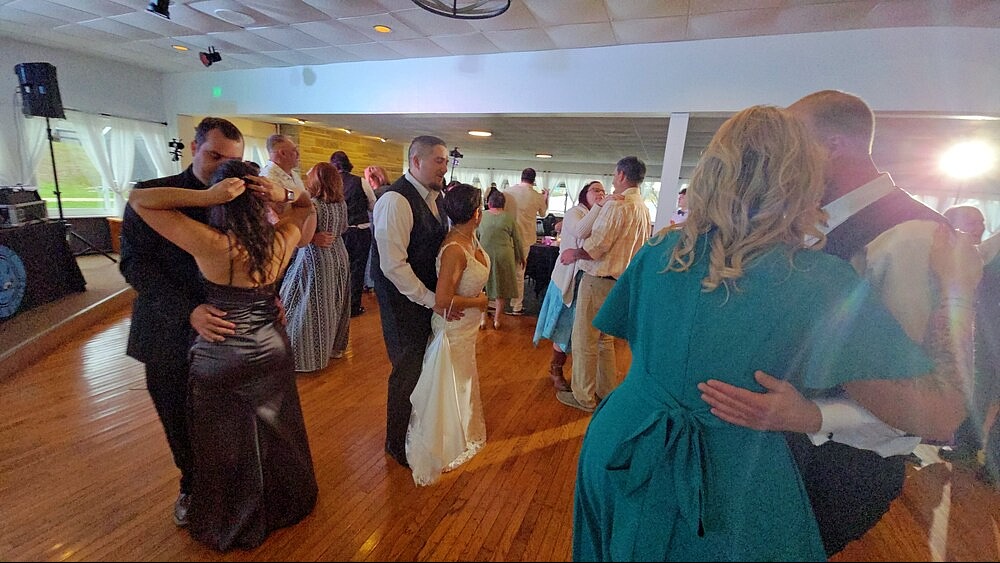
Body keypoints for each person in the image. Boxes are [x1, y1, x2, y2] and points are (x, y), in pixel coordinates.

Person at [572, 105, 979, 562]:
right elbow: (941, 415)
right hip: (725, 473)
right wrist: (958, 291)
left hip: (622, 440)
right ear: (803, 178)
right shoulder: (817, 281)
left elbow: (636, 340)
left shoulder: (662, 249)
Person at [697, 89, 982, 556]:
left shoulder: (910, 236)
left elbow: (924, 398)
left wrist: (816, 416)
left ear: (832, 146)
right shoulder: (806, 221)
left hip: (830, 470)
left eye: (792, 143)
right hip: (771, 453)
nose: (782, 159)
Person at [127, 159, 319, 551]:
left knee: (221, 440)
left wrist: (206, 196)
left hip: (223, 351)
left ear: (222, 202)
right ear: (260, 201)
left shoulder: (213, 245)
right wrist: (284, 192)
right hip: (271, 346)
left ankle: (230, 518)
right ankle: (281, 504)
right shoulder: (281, 239)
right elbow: (306, 206)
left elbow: (139, 200)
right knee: (276, 431)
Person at [119, 117, 243, 528]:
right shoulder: (155, 194)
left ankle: (232, 487)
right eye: (214, 155)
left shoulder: (241, 198)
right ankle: (191, 486)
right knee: (177, 416)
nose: (221, 166)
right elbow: (135, 266)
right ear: (194, 148)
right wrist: (188, 309)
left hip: (226, 329)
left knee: (227, 419)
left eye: (231, 160)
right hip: (167, 329)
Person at [371, 135, 461, 468]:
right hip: (402, 303)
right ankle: (396, 444)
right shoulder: (395, 200)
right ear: (416, 161)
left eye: (445, 161)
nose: (444, 167)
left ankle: (415, 432)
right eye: (438, 160)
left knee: (423, 367)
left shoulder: (436, 198)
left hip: (424, 300)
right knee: (406, 371)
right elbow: (392, 265)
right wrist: (431, 299)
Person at [405, 184, 490, 485]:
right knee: (451, 385)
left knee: (463, 381)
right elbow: (442, 301)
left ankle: (461, 432)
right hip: (453, 329)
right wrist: (480, 302)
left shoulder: (470, 238)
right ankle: (444, 443)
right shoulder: (455, 249)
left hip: (467, 329)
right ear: (476, 213)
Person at [557, 157, 651, 413]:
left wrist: (574, 254)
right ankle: (606, 391)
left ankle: (583, 397)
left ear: (621, 175)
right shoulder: (642, 208)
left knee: (584, 340)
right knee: (604, 340)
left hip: (598, 280)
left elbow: (596, 246)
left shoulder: (616, 205)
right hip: (620, 283)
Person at [533, 181, 607, 391]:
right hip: (568, 279)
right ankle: (556, 369)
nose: (600, 193)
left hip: (586, 279)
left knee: (581, 331)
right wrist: (599, 207)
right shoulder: (576, 212)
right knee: (564, 328)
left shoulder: (600, 215)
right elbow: (580, 232)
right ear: (584, 194)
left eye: (603, 191)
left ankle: (579, 375)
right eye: (595, 190)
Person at [279, 162, 351, 371]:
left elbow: (304, 239)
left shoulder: (313, 205)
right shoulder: (341, 204)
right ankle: (334, 348)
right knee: (335, 303)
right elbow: (343, 228)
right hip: (339, 255)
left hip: (317, 259)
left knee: (308, 306)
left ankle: (307, 357)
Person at [331, 150, 374, 318]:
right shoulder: (360, 182)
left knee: (339, 269)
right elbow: (372, 204)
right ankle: (353, 306)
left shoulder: (331, 183)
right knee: (357, 269)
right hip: (359, 230)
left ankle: (337, 305)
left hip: (339, 232)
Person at [502, 168, 549, 315]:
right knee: (519, 272)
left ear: (521, 177)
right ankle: (516, 305)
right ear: (534, 180)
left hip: (506, 235)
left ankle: (494, 303)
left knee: (501, 270)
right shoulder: (537, 196)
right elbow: (543, 213)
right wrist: (545, 197)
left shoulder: (507, 192)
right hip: (525, 238)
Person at [476, 188, 524, 330]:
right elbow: (517, 240)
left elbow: (475, 237)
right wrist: (521, 257)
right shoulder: (509, 218)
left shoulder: (481, 216)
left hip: (484, 254)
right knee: (500, 289)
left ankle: (482, 319)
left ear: (489, 203)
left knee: (483, 288)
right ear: (503, 204)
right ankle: (497, 320)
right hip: (504, 255)